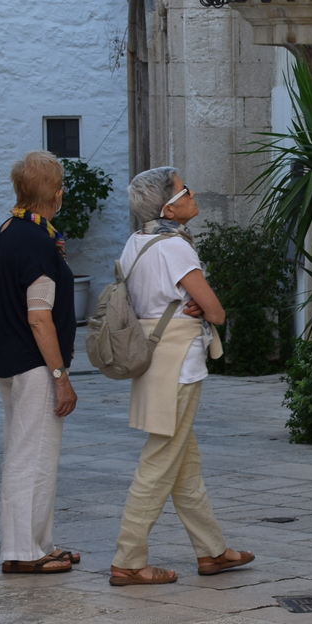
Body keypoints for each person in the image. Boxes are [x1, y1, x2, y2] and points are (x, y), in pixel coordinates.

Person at [107, 167, 254, 587]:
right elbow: (217, 312)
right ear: (168, 208)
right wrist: (202, 305)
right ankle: (128, 560)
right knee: (159, 463)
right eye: (184, 190)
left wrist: (193, 303)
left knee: (184, 464)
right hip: (178, 364)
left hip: (152, 359)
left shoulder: (136, 242)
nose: (192, 193)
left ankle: (212, 551)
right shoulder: (174, 247)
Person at [0, 150, 81, 574]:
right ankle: (22, 552)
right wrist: (60, 375)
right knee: (30, 458)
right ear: (56, 195)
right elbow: (39, 318)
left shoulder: (7, 230)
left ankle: (39, 543)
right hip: (35, 365)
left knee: (34, 455)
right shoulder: (38, 242)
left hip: (8, 359)